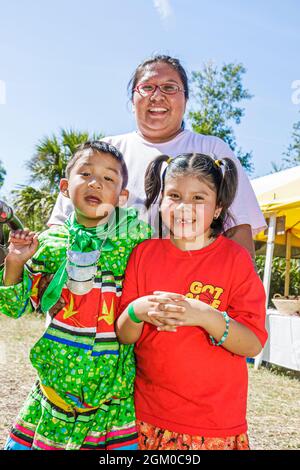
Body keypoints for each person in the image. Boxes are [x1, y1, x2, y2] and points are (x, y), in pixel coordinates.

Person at [0, 141, 151, 450]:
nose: (96, 182)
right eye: (86, 173)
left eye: (109, 178)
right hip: (52, 396)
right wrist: (15, 261)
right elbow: (14, 308)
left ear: (122, 197)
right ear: (65, 187)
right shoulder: (49, 242)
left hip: (112, 404)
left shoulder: (135, 239)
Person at [116, 153, 268, 451]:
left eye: (199, 197)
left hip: (214, 423)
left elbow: (252, 344)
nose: (185, 207)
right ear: (160, 201)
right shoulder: (143, 254)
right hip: (146, 416)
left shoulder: (235, 260)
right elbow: (124, 333)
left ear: (217, 208)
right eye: (174, 195)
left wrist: (205, 315)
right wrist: (138, 310)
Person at [48, 55, 265, 260]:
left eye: (170, 87)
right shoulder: (104, 151)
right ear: (132, 100)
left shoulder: (212, 149)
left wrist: (242, 293)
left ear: (186, 99)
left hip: (191, 291)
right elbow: (60, 227)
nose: (157, 96)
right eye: (147, 87)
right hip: (105, 291)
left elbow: (238, 230)